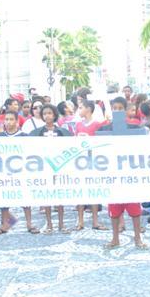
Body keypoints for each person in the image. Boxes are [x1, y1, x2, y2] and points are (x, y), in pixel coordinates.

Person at [30, 104, 72, 233]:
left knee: (59, 197)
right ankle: (49, 224)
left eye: (49, 113)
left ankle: (61, 224)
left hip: (59, 167)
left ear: (54, 115)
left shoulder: (62, 132)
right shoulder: (37, 133)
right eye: (44, 114)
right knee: (47, 196)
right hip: (44, 167)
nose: (47, 116)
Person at [73, 100, 108, 231]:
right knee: (80, 191)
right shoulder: (78, 125)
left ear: (88, 109)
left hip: (93, 161)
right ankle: (80, 220)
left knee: (93, 191)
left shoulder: (98, 124)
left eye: (81, 107)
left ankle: (95, 220)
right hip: (80, 162)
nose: (79, 110)